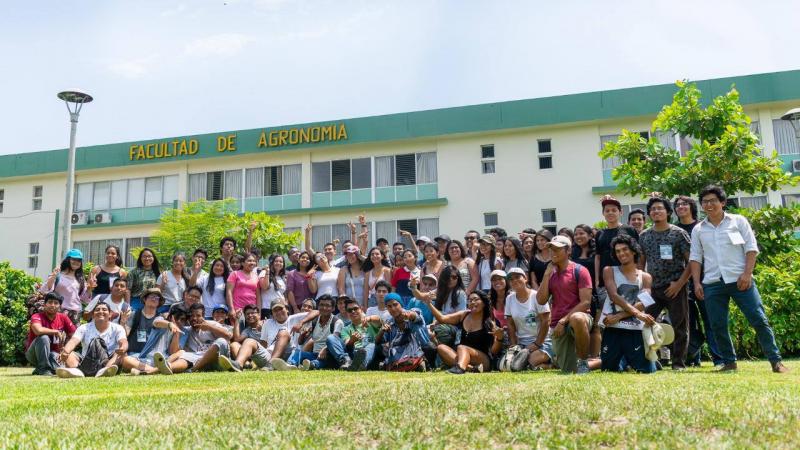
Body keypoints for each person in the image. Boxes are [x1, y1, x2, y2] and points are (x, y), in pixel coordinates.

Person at [689, 185, 788, 373]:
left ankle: (776, 362)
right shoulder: (698, 229)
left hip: (740, 280)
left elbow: (751, 248)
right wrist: (696, 283)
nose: (709, 205)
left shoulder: (738, 221)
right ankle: (729, 362)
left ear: (723, 202)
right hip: (712, 282)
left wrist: (747, 274)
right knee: (717, 325)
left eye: (713, 201)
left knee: (758, 319)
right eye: (705, 202)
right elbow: (695, 257)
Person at [638, 195, 691, 370]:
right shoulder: (644, 235)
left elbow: (691, 262)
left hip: (675, 287)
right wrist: (642, 286)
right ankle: (649, 358)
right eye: (653, 209)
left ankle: (678, 363)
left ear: (668, 212)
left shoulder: (679, 233)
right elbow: (640, 262)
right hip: (652, 288)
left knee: (679, 326)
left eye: (660, 208)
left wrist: (679, 284)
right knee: (645, 322)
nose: (656, 211)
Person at [674, 195, 723, 367]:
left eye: (685, 204)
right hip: (682, 284)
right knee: (688, 323)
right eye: (678, 205)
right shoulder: (673, 229)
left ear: (692, 207)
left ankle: (719, 359)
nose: (681, 207)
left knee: (710, 321)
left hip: (706, 280)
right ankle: (693, 358)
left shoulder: (702, 227)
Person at [599, 234, 657, 373]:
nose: (621, 253)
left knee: (646, 370)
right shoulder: (609, 270)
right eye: (617, 251)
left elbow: (644, 301)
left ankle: (640, 361)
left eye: (625, 249)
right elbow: (614, 295)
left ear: (633, 251)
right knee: (608, 370)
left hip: (635, 329)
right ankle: (624, 362)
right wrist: (637, 314)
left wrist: (619, 316)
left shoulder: (646, 277)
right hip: (613, 328)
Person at [536, 235, 593, 374]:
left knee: (577, 318)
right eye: (551, 249)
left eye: (557, 249)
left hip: (578, 319)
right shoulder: (550, 273)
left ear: (568, 251)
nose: (553, 252)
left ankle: (584, 363)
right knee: (568, 370)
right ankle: (600, 361)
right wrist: (546, 275)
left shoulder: (580, 270)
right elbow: (540, 300)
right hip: (557, 326)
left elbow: (586, 302)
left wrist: (564, 320)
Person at [423, 290, 502, 374]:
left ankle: (460, 368)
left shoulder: (490, 323)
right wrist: (429, 304)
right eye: (470, 300)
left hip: (483, 361)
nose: (472, 302)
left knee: (461, 347)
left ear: (484, 303)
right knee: (441, 347)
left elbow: (494, 351)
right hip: (463, 356)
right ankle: (470, 368)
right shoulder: (464, 315)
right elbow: (442, 318)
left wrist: (499, 338)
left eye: (476, 299)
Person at [56, 302, 127, 378]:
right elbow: (73, 341)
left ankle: (106, 370)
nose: (100, 312)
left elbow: (123, 341)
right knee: (69, 354)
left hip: (109, 361)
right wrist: (66, 351)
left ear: (110, 314)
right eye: (97, 310)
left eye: (104, 309)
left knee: (121, 354)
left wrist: (123, 348)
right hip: (87, 360)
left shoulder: (118, 328)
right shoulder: (84, 327)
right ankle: (77, 371)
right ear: (93, 315)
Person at [595, 195, 639, 307]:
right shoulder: (600, 234)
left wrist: (638, 274)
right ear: (603, 213)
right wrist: (596, 279)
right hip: (605, 281)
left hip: (627, 279)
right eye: (607, 210)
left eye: (614, 210)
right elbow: (598, 257)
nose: (610, 213)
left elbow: (638, 253)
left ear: (620, 212)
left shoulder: (629, 230)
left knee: (628, 312)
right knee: (608, 314)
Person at [505, 268, 552, 370]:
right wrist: (513, 344)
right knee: (508, 365)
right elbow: (510, 323)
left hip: (544, 341)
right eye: (511, 279)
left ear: (525, 278)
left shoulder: (536, 296)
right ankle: (541, 364)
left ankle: (550, 364)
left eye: (517, 277)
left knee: (525, 364)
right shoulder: (509, 299)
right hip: (522, 344)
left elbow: (546, 321)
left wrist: (537, 344)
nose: (514, 281)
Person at [166, 303, 235, 373]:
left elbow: (228, 336)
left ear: (203, 316)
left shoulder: (213, 324)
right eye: (192, 316)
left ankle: (194, 369)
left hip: (218, 360)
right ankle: (168, 367)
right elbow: (174, 352)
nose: (194, 318)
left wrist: (210, 328)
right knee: (183, 354)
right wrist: (176, 332)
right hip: (199, 361)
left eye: (198, 316)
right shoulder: (187, 331)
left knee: (221, 341)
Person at [378, 294, 437, 371]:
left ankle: (420, 363)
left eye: (395, 305)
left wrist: (410, 316)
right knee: (384, 349)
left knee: (429, 347)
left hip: (418, 348)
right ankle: (414, 365)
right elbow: (378, 341)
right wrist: (381, 331)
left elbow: (415, 316)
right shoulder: (389, 322)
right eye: (389, 306)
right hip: (398, 352)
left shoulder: (413, 311)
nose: (393, 308)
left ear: (401, 304)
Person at [118, 288, 169, 375]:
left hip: (153, 356)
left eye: (157, 298)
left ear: (159, 302)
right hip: (135, 356)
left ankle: (147, 370)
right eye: (151, 296)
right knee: (124, 360)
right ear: (144, 299)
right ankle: (154, 370)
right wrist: (122, 322)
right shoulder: (134, 315)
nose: (154, 299)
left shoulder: (161, 318)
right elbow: (125, 334)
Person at [26, 292, 76, 376]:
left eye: (56, 303)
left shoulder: (63, 317)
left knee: (61, 369)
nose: (52, 305)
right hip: (34, 354)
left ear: (59, 306)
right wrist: (55, 331)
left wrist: (65, 349)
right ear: (45, 304)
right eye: (50, 302)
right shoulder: (37, 316)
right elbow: (38, 330)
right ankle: (43, 369)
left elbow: (74, 336)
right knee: (44, 337)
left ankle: (41, 369)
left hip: (54, 353)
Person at [326, 298, 383, 370]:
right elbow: (347, 344)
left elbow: (379, 321)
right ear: (347, 313)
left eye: (355, 308)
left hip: (370, 353)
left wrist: (369, 318)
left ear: (361, 309)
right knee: (331, 337)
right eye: (350, 310)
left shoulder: (371, 322)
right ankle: (346, 361)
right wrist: (352, 340)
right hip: (353, 353)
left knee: (371, 345)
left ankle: (361, 364)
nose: (353, 311)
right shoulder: (345, 329)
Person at [261, 299, 319, 370]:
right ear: (272, 313)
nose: (279, 312)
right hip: (270, 354)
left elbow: (316, 312)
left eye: (281, 309)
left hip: (289, 354)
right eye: (275, 310)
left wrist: (301, 322)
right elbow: (263, 343)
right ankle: (243, 364)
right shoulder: (267, 323)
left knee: (283, 333)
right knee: (249, 341)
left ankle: (271, 364)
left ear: (287, 309)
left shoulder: (295, 318)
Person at [40, 249, 94, 326]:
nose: (76, 262)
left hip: (75, 313)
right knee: (57, 336)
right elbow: (44, 290)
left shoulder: (81, 279)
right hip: (58, 311)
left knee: (73, 337)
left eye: (79, 260)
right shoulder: (58, 275)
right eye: (73, 259)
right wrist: (53, 277)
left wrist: (90, 288)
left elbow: (84, 300)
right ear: (67, 260)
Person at [572, 224, 601, 362]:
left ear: (590, 235)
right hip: (576, 294)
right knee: (581, 325)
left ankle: (594, 358)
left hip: (593, 293)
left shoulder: (596, 253)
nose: (578, 236)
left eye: (582, 233)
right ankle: (581, 356)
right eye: (576, 234)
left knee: (595, 326)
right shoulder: (572, 254)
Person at [294, 295, 344, 370]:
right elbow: (300, 342)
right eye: (322, 305)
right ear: (318, 307)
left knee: (321, 360)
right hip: (314, 354)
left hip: (329, 355)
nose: (324, 308)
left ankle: (312, 364)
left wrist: (325, 349)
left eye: (327, 306)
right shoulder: (314, 321)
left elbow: (335, 338)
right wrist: (303, 334)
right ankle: (290, 365)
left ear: (333, 308)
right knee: (297, 353)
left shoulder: (337, 322)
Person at [228, 304, 271, 370]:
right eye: (247, 314)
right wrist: (237, 320)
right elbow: (236, 340)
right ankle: (247, 365)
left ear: (259, 315)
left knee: (249, 341)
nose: (250, 315)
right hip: (254, 357)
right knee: (234, 345)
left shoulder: (268, 323)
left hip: (268, 355)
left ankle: (242, 364)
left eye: (253, 313)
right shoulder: (247, 330)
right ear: (245, 316)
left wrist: (263, 330)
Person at [259, 254, 286, 319]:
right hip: (268, 308)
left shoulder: (281, 277)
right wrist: (267, 272)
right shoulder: (264, 272)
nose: (278, 263)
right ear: (272, 263)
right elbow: (264, 287)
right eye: (276, 261)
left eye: (281, 262)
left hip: (280, 308)